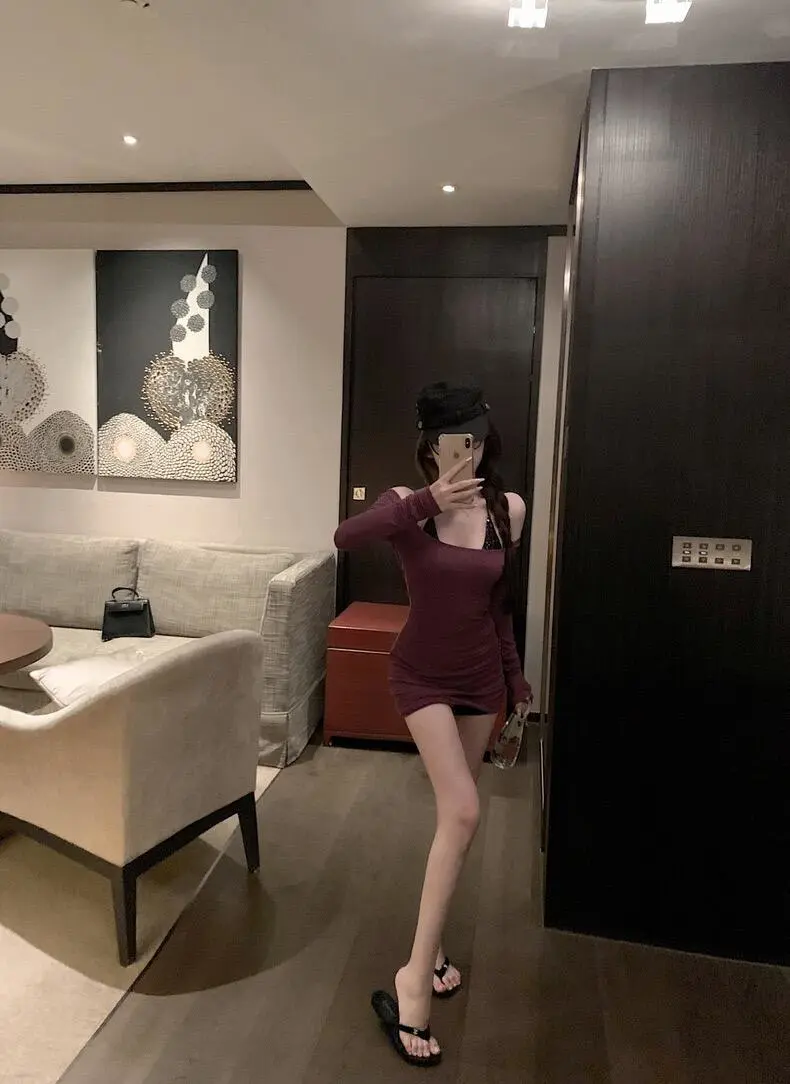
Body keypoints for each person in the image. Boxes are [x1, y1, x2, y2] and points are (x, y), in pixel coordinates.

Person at [334, 381, 533, 1068]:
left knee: (456, 818)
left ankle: (437, 948)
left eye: (476, 439)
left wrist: (515, 679)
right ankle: (414, 978)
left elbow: (499, 606)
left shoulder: (508, 509)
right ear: (430, 446)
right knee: (465, 811)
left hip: (482, 682)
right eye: (455, 441)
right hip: (419, 676)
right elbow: (344, 537)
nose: (467, 452)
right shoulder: (404, 506)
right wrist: (427, 502)